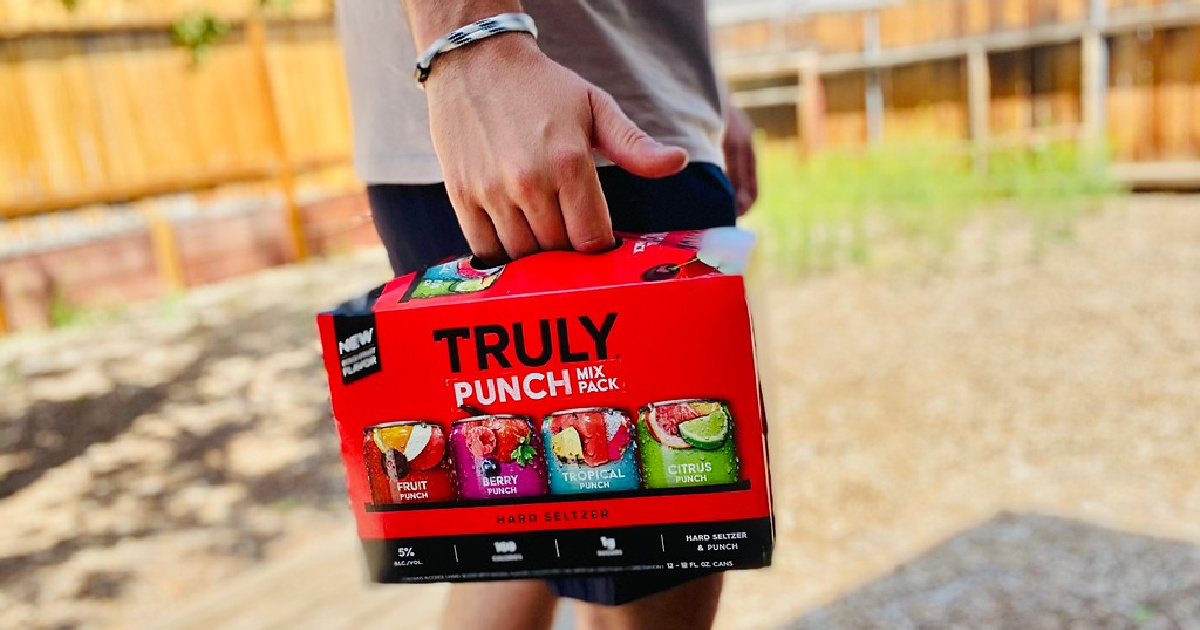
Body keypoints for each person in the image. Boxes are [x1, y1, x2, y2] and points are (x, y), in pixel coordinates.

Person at [333, 1, 758, 628]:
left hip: (599, 95)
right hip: (539, 116)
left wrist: (702, 85)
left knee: (517, 510)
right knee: (630, 543)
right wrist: (472, 43)